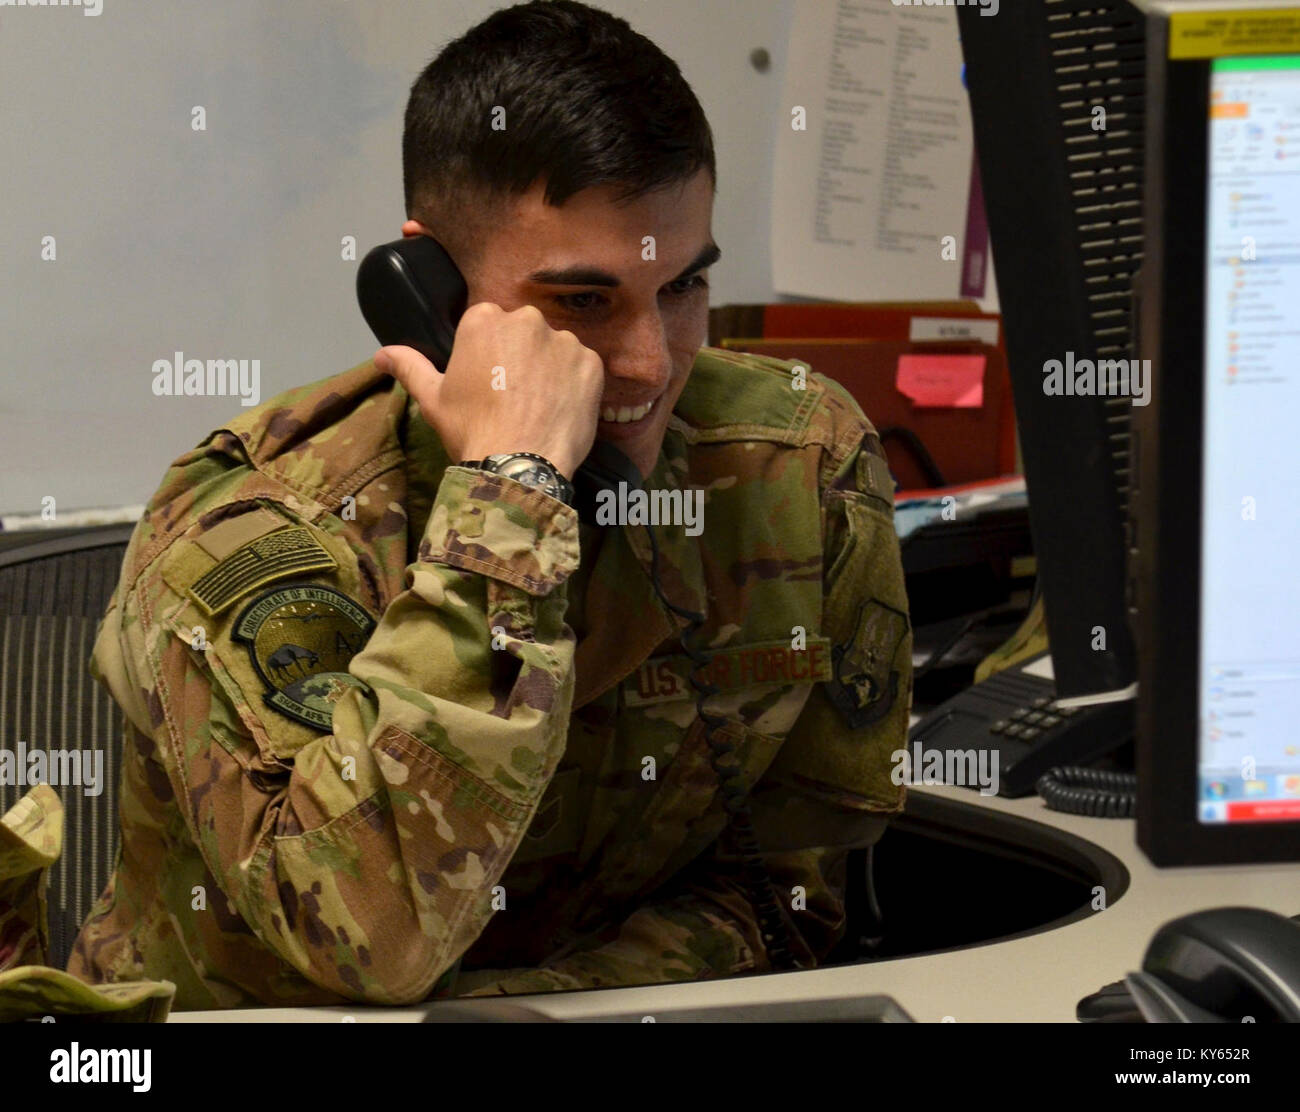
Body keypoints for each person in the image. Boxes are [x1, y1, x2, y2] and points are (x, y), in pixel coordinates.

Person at [66, 0, 913, 1008]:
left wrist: (543, 1007)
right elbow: (367, 944)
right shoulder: (259, 529)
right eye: (583, 302)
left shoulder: (793, 466)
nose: (652, 363)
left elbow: (787, 885)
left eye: (684, 286)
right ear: (429, 284)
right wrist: (509, 499)